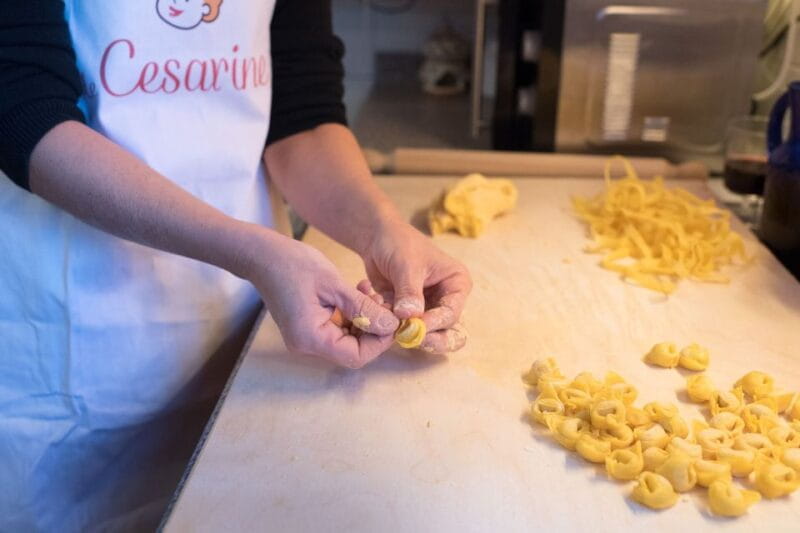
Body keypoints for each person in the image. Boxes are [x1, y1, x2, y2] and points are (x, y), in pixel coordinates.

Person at [0, 1, 472, 530]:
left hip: (244, 334)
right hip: (73, 343)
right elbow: (23, 109)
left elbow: (303, 113)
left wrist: (382, 230)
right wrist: (251, 252)